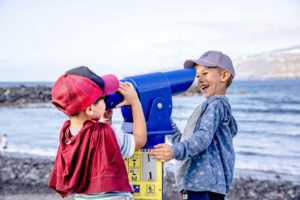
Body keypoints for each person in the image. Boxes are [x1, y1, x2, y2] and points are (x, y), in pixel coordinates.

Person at [48, 66, 147, 200]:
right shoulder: (107, 132)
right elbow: (140, 140)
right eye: (103, 98)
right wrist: (135, 103)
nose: (107, 100)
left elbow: (98, 145)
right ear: (89, 109)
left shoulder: (66, 133)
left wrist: (106, 120)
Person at [150, 51, 238, 200]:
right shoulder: (209, 107)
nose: (200, 79)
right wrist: (164, 119)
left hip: (202, 185)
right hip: (200, 184)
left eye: (205, 73)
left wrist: (174, 151)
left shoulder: (215, 104)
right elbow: (184, 141)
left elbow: (202, 138)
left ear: (224, 76)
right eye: (197, 75)